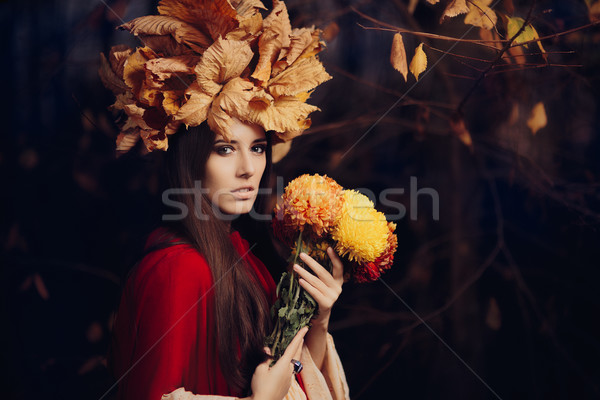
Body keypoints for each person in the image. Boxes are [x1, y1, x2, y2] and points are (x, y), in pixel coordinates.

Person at [107, 119, 350, 400]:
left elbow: (294, 383)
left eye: (258, 149)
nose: (248, 168)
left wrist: (318, 322)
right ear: (189, 158)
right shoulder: (179, 269)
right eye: (225, 149)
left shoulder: (247, 255)